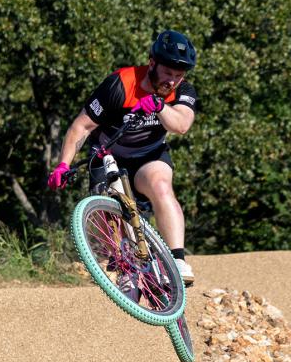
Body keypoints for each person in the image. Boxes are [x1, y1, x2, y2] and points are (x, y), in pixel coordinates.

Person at [48, 29, 199, 283]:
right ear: (152, 63)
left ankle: (177, 260)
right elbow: (81, 127)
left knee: (161, 186)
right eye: (167, 73)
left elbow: (182, 125)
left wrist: (160, 106)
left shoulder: (183, 90)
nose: (172, 81)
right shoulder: (120, 84)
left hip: (148, 156)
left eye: (178, 75)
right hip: (108, 154)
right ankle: (124, 265)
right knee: (112, 212)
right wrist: (63, 164)